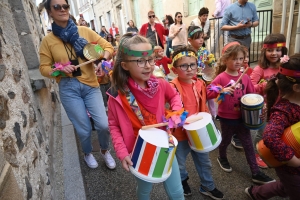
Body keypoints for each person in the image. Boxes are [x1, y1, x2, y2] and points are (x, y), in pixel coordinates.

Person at [39, 0, 116, 169]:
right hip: (68, 88)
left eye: (65, 6)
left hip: (90, 85)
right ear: (50, 12)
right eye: (57, 7)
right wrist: (59, 69)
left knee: (103, 124)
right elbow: (44, 68)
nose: (62, 9)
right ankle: (87, 153)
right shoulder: (48, 41)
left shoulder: (84, 31)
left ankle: (104, 150)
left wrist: (103, 60)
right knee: (83, 129)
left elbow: (108, 47)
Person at [107, 32, 184, 199]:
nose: (148, 65)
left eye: (150, 59)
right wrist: (121, 152)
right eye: (140, 61)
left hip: (165, 144)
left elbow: (174, 96)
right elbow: (113, 125)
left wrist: (176, 112)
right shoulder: (117, 94)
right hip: (138, 150)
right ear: (125, 65)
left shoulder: (161, 84)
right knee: (144, 190)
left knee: (177, 192)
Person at [206, 42, 275, 185]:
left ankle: (255, 172)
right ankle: (222, 157)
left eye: (240, 58)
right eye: (234, 58)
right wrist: (221, 90)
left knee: (248, 144)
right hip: (227, 118)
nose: (238, 62)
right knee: (224, 141)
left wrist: (261, 105)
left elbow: (252, 94)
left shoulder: (245, 77)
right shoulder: (221, 78)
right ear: (225, 59)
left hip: (242, 117)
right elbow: (208, 93)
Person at [170, 45, 224, 199]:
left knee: (204, 162)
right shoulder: (172, 87)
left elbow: (205, 100)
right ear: (174, 69)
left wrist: (220, 90)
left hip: (199, 132)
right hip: (180, 134)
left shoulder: (199, 83)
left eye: (192, 64)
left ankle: (207, 185)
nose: (189, 69)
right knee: (179, 164)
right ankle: (183, 181)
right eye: (184, 65)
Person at [245, 54, 300, 200]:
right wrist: (292, 160)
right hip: (290, 166)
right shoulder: (284, 110)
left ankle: (256, 193)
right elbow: (270, 136)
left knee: (286, 187)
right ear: (296, 87)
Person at [249, 33, 288, 168]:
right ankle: (257, 153)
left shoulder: (285, 67)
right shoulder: (260, 69)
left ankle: (272, 151)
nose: (274, 53)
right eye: (270, 50)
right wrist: (266, 85)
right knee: (263, 132)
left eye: (278, 50)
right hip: (265, 107)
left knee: (279, 132)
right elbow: (250, 88)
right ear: (264, 51)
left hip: (282, 107)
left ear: (283, 51)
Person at [187, 26, 217, 119]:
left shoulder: (205, 51)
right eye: (197, 38)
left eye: (202, 38)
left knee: (210, 98)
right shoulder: (187, 53)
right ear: (190, 40)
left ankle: (213, 115)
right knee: (197, 99)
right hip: (193, 81)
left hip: (206, 80)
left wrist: (210, 61)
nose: (201, 40)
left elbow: (212, 64)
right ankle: (199, 115)